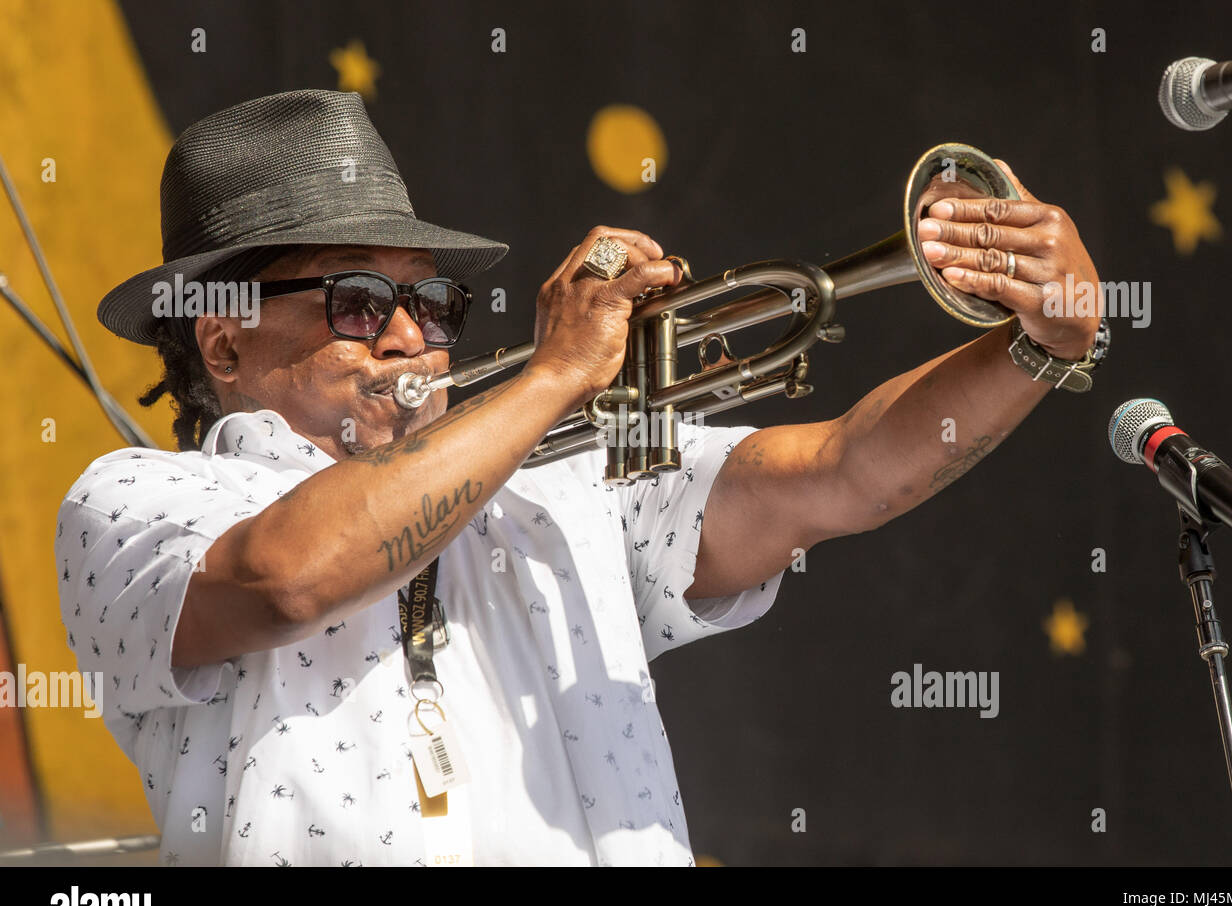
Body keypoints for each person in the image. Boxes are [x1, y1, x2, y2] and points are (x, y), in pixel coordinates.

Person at [55, 89, 1105, 866]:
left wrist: (1037, 347)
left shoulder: (561, 483)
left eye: (436, 305)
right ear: (225, 343)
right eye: (360, 301)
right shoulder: (138, 501)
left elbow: (843, 473)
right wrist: (557, 371)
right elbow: (289, 575)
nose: (414, 335)